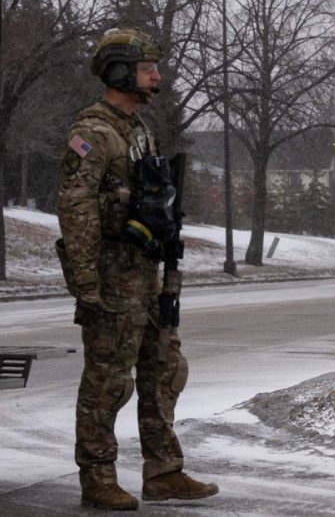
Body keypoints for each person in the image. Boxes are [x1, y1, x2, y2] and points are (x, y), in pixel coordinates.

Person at [56, 27, 218, 511]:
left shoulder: (138, 131)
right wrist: (86, 282)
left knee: (165, 368)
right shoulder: (93, 132)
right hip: (112, 276)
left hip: (146, 274)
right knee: (108, 380)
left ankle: (164, 471)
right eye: (148, 69)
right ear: (121, 71)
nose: (157, 77)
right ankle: (97, 476)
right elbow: (76, 207)